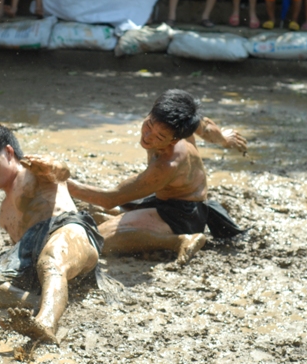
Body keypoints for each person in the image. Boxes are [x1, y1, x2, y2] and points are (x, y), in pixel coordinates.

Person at [0, 124, 112, 344]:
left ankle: (46, 323)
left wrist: (52, 165)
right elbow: (19, 259)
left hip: (69, 234)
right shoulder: (5, 213)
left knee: (51, 258)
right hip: (35, 263)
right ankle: (37, 302)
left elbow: (61, 171)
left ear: (9, 152)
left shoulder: (37, 172)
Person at [67, 90, 247, 266]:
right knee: (92, 209)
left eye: (159, 136)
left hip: (181, 216)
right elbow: (206, 127)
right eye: (149, 125)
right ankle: (128, 218)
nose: (147, 136)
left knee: (98, 241)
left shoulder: (166, 165)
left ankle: (180, 240)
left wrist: (60, 180)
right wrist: (224, 138)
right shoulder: (182, 118)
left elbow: (109, 198)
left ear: (174, 140)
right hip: (165, 199)